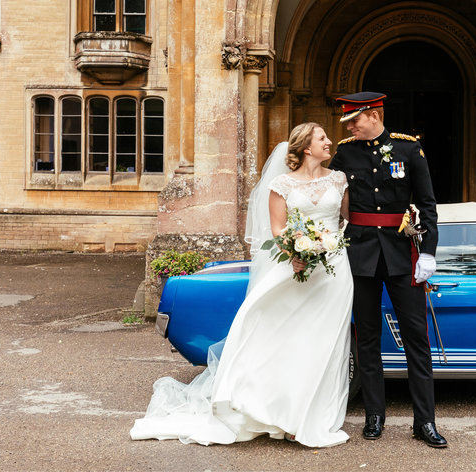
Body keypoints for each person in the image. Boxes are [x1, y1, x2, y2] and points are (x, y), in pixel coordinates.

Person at [130, 122, 354, 447]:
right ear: (307, 147)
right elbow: (278, 229)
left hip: (334, 271)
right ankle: (280, 413)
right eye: (322, 138)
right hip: (296, 269)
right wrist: (295, 250)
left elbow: (347, 218)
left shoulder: (338, 180)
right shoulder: (282, 184)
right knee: (289, 337)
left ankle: (312, 416)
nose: (329, 142)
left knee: (327, 342)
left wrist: (328, 243)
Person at [328, 91, 447, 448]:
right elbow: (328, 198)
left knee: (416, 339)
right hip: (361, 256)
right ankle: (374, 415)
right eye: (348, 122)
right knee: (367, 338)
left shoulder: (409, 149)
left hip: (401, 255)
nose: (350, 125)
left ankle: (424, 421)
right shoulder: (345, 153)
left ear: (375, 115)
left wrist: (428, 253)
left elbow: (427, 205)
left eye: (355, 120)